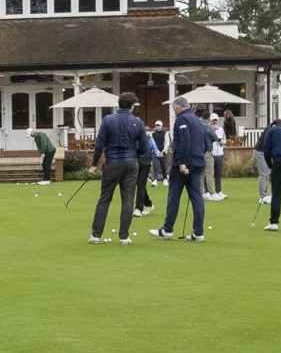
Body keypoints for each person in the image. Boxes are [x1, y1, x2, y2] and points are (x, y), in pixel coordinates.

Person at [88, 93, 147, 243]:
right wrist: (134, 153)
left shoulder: (108, 120)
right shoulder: (138, 122)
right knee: (127, 200)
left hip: (112, 163)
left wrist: (94, 164)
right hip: (131, 163)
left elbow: (99, 144)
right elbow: (144, 148)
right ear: (132, 106)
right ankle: (124, 236)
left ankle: (96, 235)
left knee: (104, 199)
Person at [152, 99, 211, 241]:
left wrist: (182, 162)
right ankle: (198, 232)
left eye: (174, 109)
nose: (173, 112)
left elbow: (185, 141)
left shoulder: (182, 119)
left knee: (174, 196)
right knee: (196, 197)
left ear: (178, 107)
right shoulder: (198, 120)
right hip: (198, 162)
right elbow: (205, 142)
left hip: (183, 164)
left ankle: (167, 229)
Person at [208, 112, 228, 200]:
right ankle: (209, 192)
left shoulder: (221, 129)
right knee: (209, 173)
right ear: (210, 120)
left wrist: (222, 142)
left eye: (216, 120)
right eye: (213, 120)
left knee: (218, 173)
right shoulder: (208, 129)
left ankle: (218, 191)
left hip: (219, 153)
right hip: (210, 153)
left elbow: (224, 140)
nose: (214, 122)